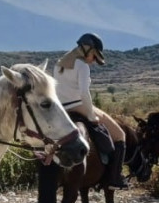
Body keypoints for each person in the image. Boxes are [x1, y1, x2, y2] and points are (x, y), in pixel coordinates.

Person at [54, 32, 128, 190]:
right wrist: (90, 114)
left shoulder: (59, 63)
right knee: (120, 135)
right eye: (94, 56)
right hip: (79, 105)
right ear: (87, 49)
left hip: (61, 109)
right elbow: (84, 94)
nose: (94, 61)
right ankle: (115, 178)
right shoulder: (82, 65)